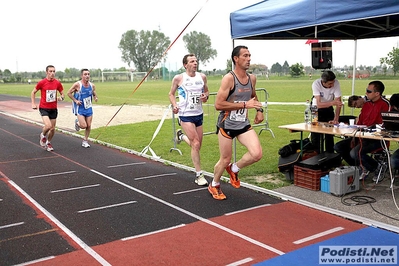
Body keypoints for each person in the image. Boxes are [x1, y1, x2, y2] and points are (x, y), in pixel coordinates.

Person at [208, 45, 264, 200]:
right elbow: (218, 104)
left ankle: (234, 168)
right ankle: (214, 184)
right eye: (245, 56)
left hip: (243, 124)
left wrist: (259, 110)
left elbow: (253, 97)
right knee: (224, 158)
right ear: (236, 58)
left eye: (249, 55)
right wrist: (245, 105)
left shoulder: (252, 78)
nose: (248, 59)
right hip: (227, 124)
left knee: (257, 154)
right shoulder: (229, 78)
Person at [334, 81, 390, 180]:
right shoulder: (366, 105)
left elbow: (384, 125)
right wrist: (352, 136)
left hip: (377, 139)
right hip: (361, 136)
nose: (366, 93)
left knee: (354, 153)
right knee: (338, 146)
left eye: (369, 91)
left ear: (377, 93)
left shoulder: (385, 105)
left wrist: (369, 129)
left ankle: (377, 166)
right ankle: (361, 167)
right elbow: (359, 123)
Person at [168, 54, 209, 186]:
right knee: (196, 144)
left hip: (198, 114)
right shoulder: (179, 78)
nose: (195, 63)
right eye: (192, 61)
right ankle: (199, 175)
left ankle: (181, 137)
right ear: (186, 65)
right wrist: (175, 105)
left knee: (197, 146)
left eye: (196, 61)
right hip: (185, 115)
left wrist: (205, 96)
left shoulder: (202, 77)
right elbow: (171, 94)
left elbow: (207, 92)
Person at [31, 65, 65, 152]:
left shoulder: (57, 83)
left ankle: (48, 143)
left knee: (53, 128)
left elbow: (62, 93)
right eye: (50, 71)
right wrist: (33, 103)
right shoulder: (42, 82)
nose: (52, 73)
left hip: (53, 108)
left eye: (54, 71)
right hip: (44, 108)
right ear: (47, 72)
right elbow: (33, 92)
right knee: (48, 126)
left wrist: (61, 97)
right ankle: (42, 135)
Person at [311, 70, 343, 153]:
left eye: (333, 83)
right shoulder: (316, 84)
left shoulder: (336, 83)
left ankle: (330, 154)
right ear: (323, 82)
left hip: (328, 107)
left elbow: (338, 103)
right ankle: (316, 154)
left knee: (329, 132)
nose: (332, 85)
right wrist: (332, 103)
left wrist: (336, 119)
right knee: (315, 132)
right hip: (315, 108)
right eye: (329, 84)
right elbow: (318, 104)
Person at [67, 69, 98, 148]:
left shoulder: (92, 85)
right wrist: (75, 100)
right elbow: (69, 93)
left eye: (88, 74)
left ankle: (85, 140)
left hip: (88, 107)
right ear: (82, 76)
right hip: (80, 108)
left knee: (89, 125)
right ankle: (77, 123)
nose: (87, 76)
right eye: (85, 74)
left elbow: (93, 92)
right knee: (83, 125)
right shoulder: (78, 85)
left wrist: (95, 97)